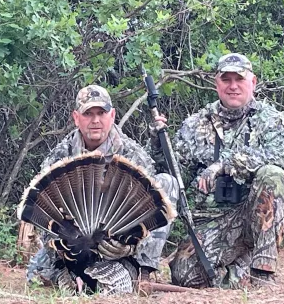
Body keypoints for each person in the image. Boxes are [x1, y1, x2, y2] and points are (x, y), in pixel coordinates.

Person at [154, 53, 284, 288]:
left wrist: (225, 165)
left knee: (273, 175)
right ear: (216, 83)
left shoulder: (271, 120)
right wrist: (159, 143)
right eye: (226, 80)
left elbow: (283, 158)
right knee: (183, 275)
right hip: (214, 221)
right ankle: (242, 272)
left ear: (252, 83)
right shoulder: (196, 124)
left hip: (253, 218)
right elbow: (175, 176)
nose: (233, 86)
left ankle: (263, 272)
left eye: (239, 80)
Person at [26, 85, 178, 291]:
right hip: (73, 245)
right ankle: (73, 272)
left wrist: (130, 246)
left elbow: (148, 212)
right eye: (88, 113)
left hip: (117, 244)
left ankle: (143, 270)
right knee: (37, 276)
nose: (95, 120)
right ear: (76, 117)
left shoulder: (132, 154)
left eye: (101, 113)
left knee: (166, 183)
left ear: (112, 115)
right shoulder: (60, 156)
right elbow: (44, 213)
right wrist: (62, 248)